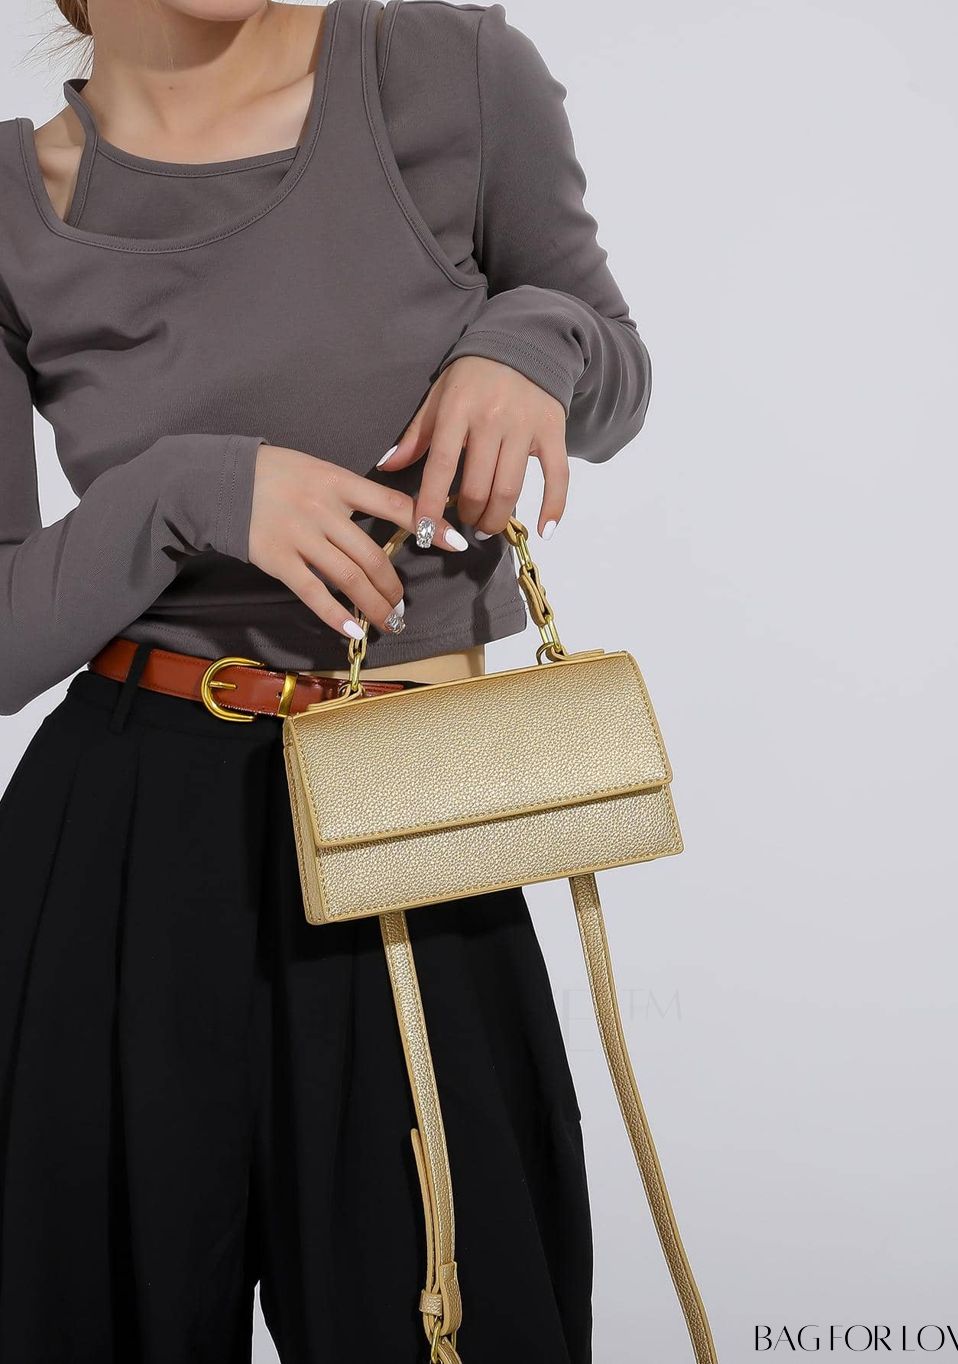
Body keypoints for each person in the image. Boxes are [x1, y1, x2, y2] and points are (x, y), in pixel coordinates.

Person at [0, 0, 652, 1358]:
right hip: (122, 835)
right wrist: (186, 490)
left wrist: (528, 340)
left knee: (472, 1319)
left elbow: (612, 367)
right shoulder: (8, 203)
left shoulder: (453, 74)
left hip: (418, 814)